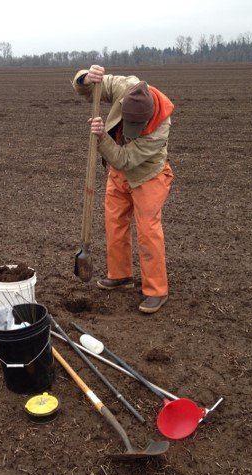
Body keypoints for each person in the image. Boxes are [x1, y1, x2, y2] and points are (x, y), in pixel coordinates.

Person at [72, 65, 175, 314]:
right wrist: (86, 78)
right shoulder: (124, 86)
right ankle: (120, 276)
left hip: (147, 176)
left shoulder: (160, 128)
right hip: (118, 174)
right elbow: (89, 88)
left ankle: (156, 290)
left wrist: (101, 139)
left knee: (148, 231)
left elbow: (125, 159)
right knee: (114, 222)